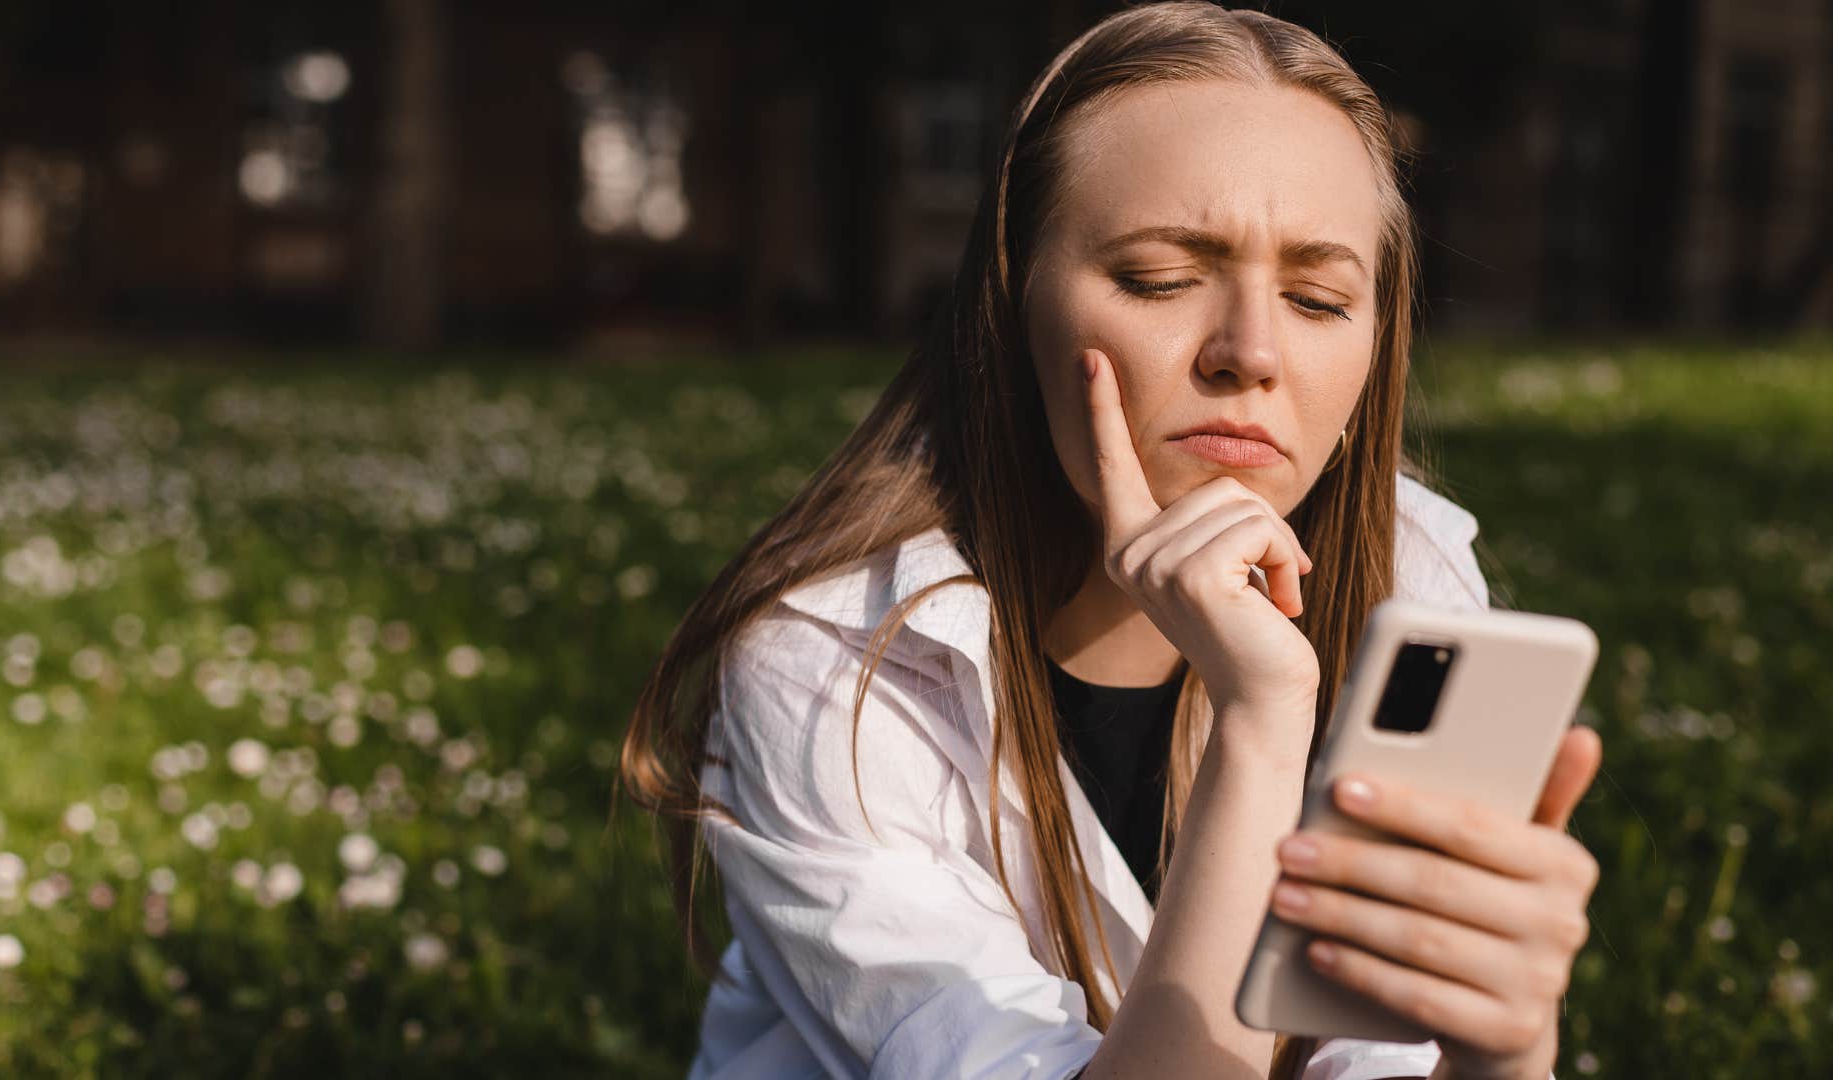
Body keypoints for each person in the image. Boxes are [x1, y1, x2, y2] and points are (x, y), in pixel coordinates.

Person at [619, 3, 1603, 1077]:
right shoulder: (836, 670)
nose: (1252, 352)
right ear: (1011, 306)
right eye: (1160, 281)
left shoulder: (1417, 581)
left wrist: (1503, 1051)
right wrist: (1263, 720)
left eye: (1319, 299)